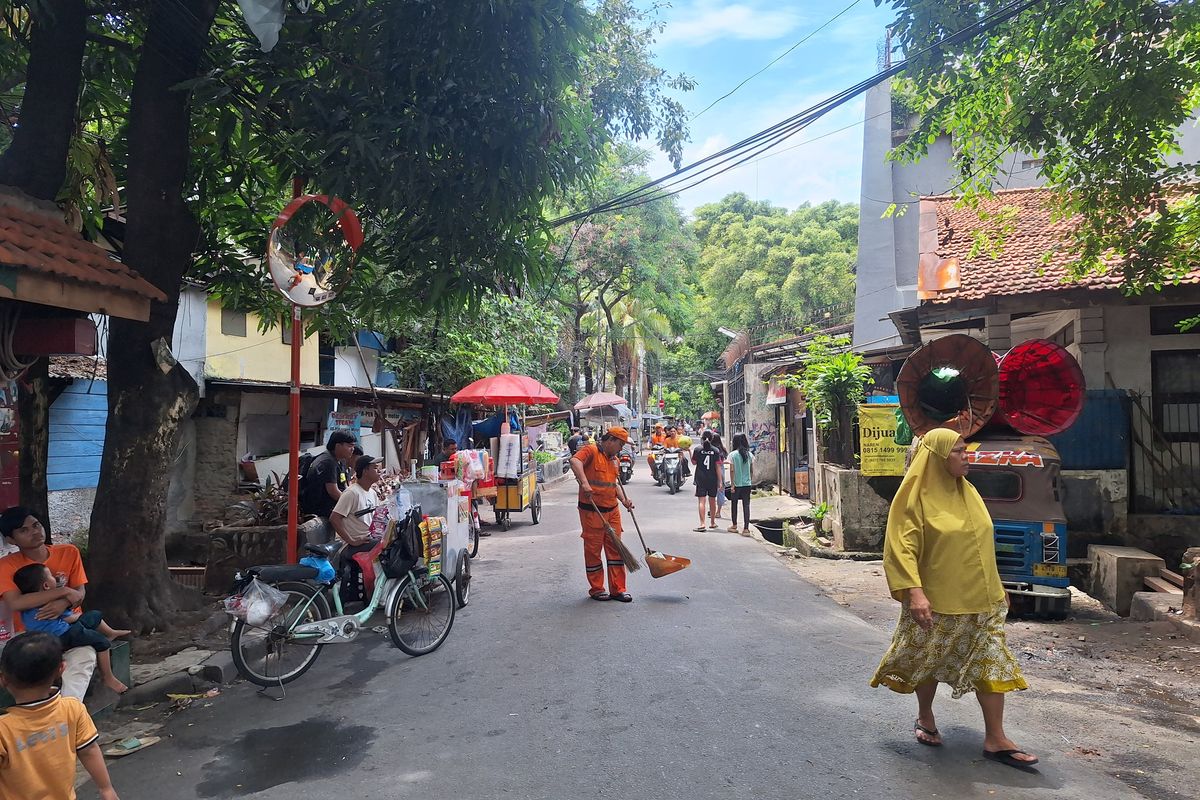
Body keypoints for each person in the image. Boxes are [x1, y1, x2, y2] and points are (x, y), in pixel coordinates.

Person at [870, 428, 1036, 768]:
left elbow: (979, 541)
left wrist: (997, 582)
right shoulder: (914, 498)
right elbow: (900, 548)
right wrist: (914, 593)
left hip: (980, 600)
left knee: (992, 659)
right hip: (936, 599)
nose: (967, 456)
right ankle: (926, 715)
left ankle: (995, 737)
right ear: (938, 458)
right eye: (959, 451)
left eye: (966, 449)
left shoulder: (969, 492)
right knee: (927, 659)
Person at [0, 632, 120, 800]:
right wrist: (106, 788)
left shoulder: (4, 729)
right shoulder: (72, 709)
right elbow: (89, 750)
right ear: (62, 669)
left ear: (3, 680)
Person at [0, 508, 97, 700]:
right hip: (30, 634)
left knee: (84, 655)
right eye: (24, 530)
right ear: (11, 540)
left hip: (69, 627)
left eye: (36, 525)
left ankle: (67, 710)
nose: (35, 532)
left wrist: (62, 604)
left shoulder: (69, 552)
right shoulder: (6, 566)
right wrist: (63, 591)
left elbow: (80, 593)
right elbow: (16, 602)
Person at [13, 565, 128, 694]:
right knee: (102, 642)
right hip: (64, 635)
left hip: (51, 637)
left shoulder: (28, 605)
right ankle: (108, 677)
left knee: (93, 615)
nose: (54, 577)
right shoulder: (50, 601)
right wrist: (77, 615)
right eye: (51, 575)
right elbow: (68, 619)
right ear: (46, 586)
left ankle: (111, 633)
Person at [570, 426, 636, 603]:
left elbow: (614, 485)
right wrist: (584, 483)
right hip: (592, 511)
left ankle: (618, 589)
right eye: (620, 445)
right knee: (593, 551)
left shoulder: (614, 460)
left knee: (616, 549)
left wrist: (624, 501)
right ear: (610, 440)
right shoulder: (591, 451)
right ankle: (597, 589)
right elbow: (575, 461)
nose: (621, 449)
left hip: (612, 510)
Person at [302, 431, 357, 541]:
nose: (352, 449)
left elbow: (343, 486)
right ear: (338, 445)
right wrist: (352, 505)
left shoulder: (338, 461)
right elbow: (333, 491)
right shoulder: (328, 462)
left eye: (353, 446)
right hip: (321, 509)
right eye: (349, 446)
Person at [330, 455, 385, 561]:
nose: (379, 471)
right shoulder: (352, 493)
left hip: (370, 538)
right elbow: (334, 518)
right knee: (384, 545)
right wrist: (352, 541)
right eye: (374, 468)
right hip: (353, 545)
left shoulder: (372, 493)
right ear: (365, 471)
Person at [691, 432, 721, 531]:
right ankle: (712, 523)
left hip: (701, 478)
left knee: (701, 501)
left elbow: (694, 462)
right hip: (712, 479)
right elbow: (718, 467)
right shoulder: (715, 450)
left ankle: (702, 524)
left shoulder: (698, 449)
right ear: (712, 439)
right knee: (712, 500)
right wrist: (720, 481)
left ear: (702, 438)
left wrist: (689, 452)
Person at [727, 433, 753, 534]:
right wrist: (750, 480)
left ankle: (734, 525)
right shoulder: (749, 454)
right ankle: (746, 529)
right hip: (747, 484)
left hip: (737, 484)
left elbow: (732, 470)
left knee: (734, 504)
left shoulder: (732, 455)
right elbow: (751, 470)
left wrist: (732, 484)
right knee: (746, 505)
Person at [710, 433, 728, 519]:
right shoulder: (722, 449)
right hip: (721, 470)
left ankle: (712, 509)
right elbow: (722, 461)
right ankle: (718, 511)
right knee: (721, 490)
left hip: (711, 470)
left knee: (711, 490)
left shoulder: (711, 450)